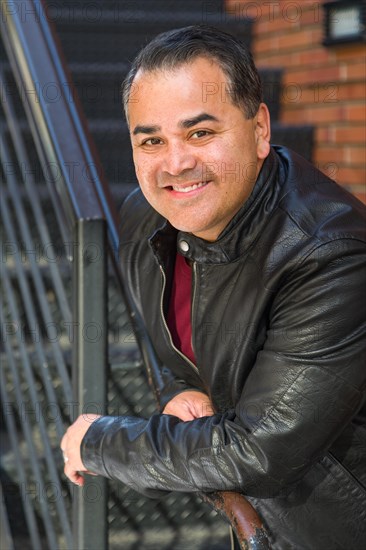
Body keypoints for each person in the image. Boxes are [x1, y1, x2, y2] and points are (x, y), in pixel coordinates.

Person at [61, 25, 366, 548]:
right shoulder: (147, 216)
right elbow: (167, 340)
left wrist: (100, 442)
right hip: (261, 521)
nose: (175, 163)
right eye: (151, 140)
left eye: (200, 133)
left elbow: (258, 451)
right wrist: (178, 389)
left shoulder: (330, 256)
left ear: (260, 129)